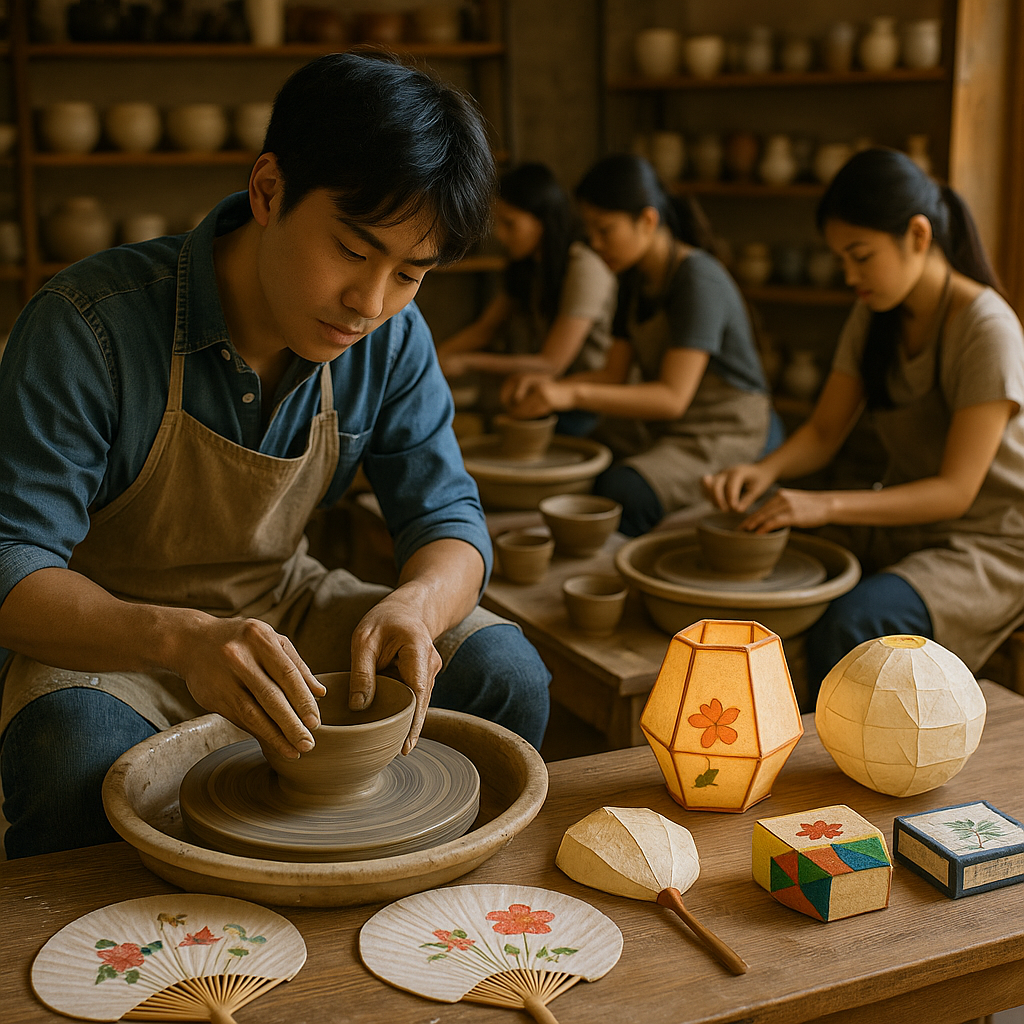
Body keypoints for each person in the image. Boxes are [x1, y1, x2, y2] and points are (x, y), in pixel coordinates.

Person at [0, 52, 551, 860]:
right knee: (70, 754)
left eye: (410, 273)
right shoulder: (88, 325)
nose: (370, 304)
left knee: (505, 669)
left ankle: (418, 907)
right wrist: (181, 640)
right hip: (115, 637)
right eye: (353, 251)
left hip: (280, 611)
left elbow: (449, 520)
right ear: (267, 191)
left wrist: (419, 606)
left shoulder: (392, 338)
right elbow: (12, 566)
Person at [704, 147, 1024, 693]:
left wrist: (825, 504)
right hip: (909, 523)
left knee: (854, 621)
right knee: (767, 564)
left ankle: (826, 745)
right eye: (841, 260)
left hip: (989, 544)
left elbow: (956, 492)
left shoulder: (986, 329)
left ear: (918, 235)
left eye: (861, 256)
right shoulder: (875, 310)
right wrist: (764, 470)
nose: (850, 275)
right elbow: (824, 431)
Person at [502, 154, 771, 536]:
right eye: (590, 230)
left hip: (723, 429)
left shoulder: (697, 280)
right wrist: (549, 387)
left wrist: (570, 393)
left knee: (624, 490)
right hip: (667, 425)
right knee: (571, 452)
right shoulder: (632, 277)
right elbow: (614, 373)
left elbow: (672, 398)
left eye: (605, 230)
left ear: (647, 220)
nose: (595, 243)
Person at [436, 162, 617, 436]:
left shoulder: (583, 266)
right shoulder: (526, 267)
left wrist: (466, 362)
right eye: (499, 224)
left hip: (589, 396)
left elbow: (551, 363)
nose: (500, 235)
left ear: (542, 221)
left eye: (510, 224)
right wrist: (435, 358)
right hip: (545, 389)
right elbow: (485, 328)